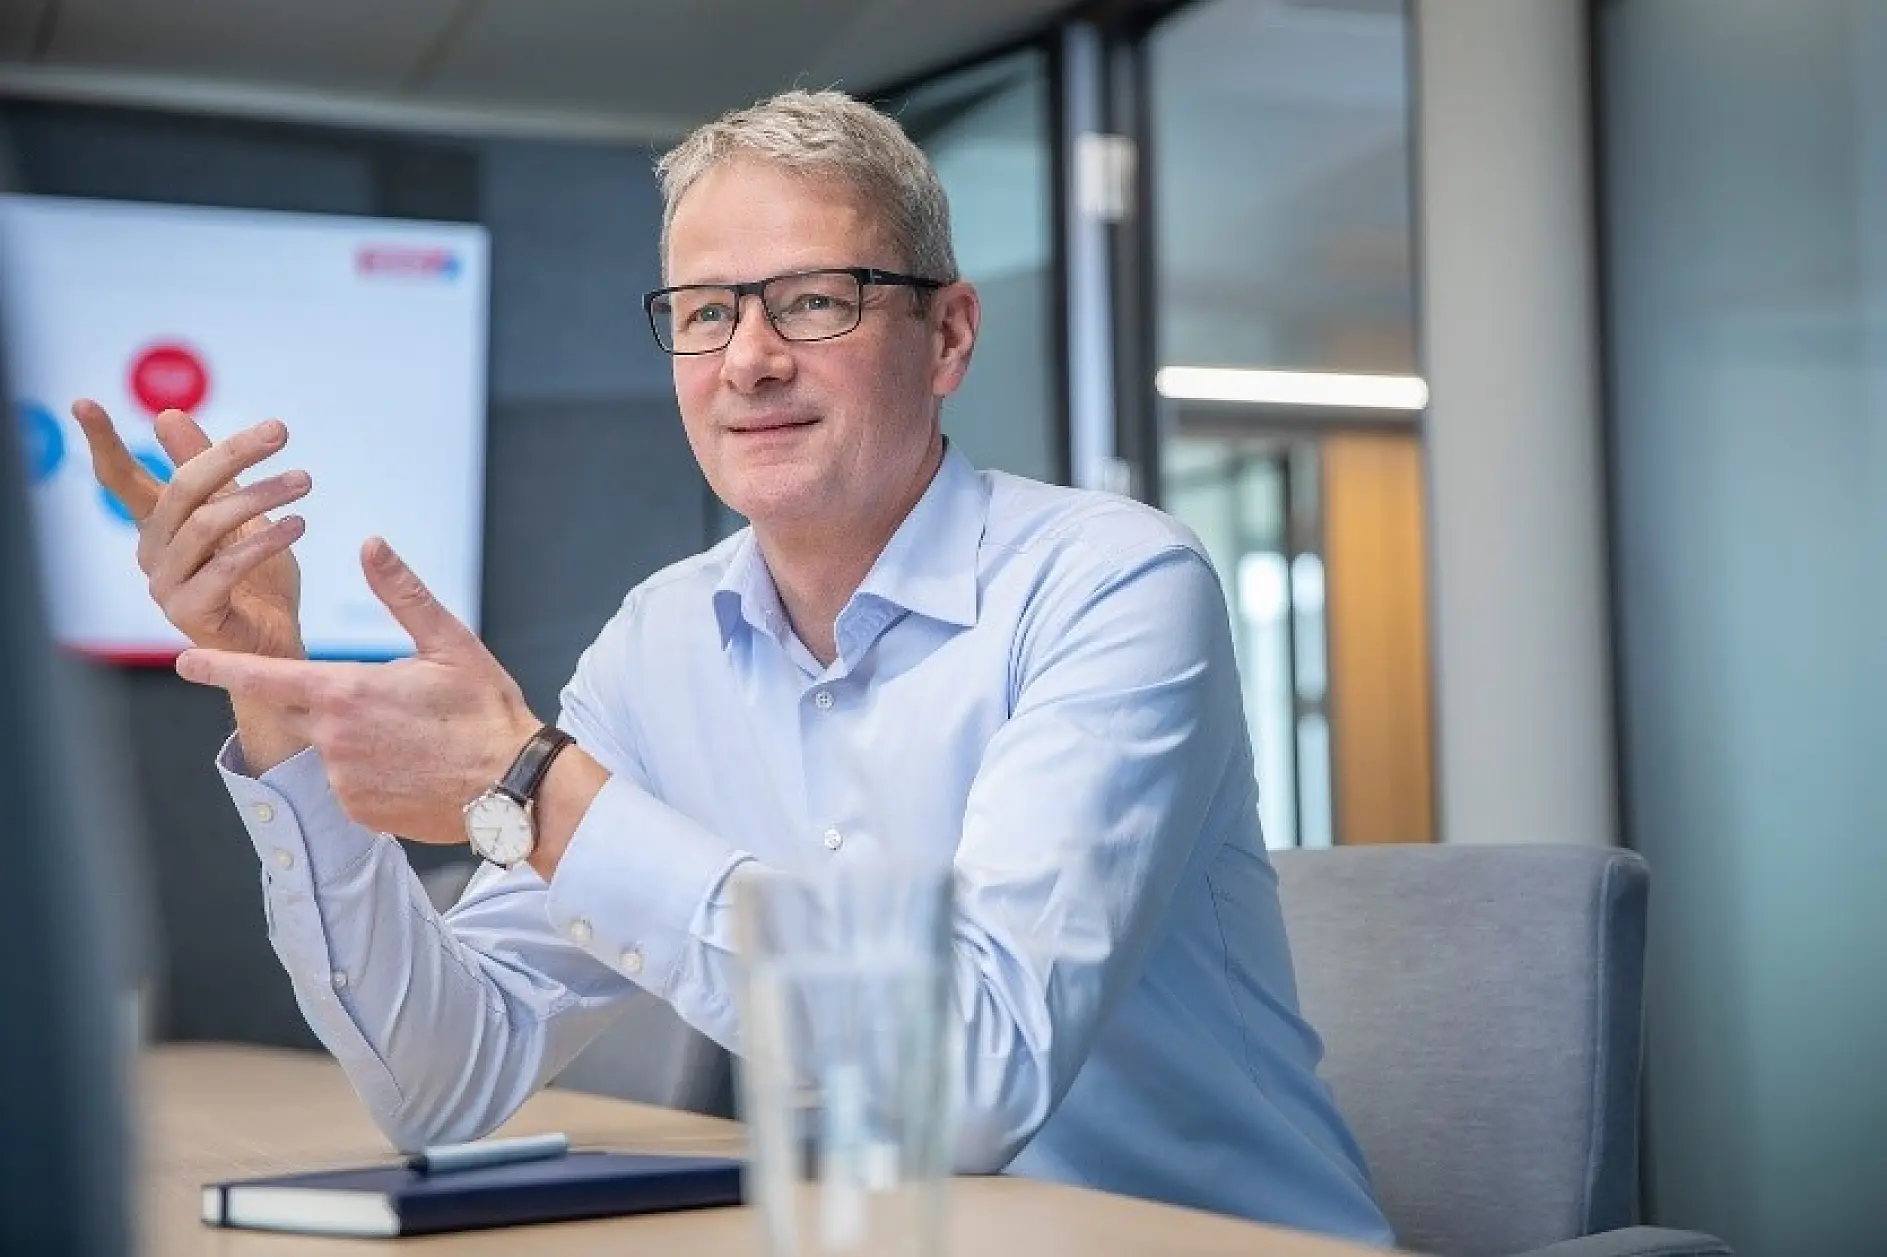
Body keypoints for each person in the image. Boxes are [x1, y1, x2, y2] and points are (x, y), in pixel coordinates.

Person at [75, 90, 1390, 1244]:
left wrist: (531, 786)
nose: (749, 359)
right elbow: (449, 1081)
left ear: (946, 338)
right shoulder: (658, 641)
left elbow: (970, 1088)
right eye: (705, 313)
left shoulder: (1113, 582)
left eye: (814, 300)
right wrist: (271, 686)